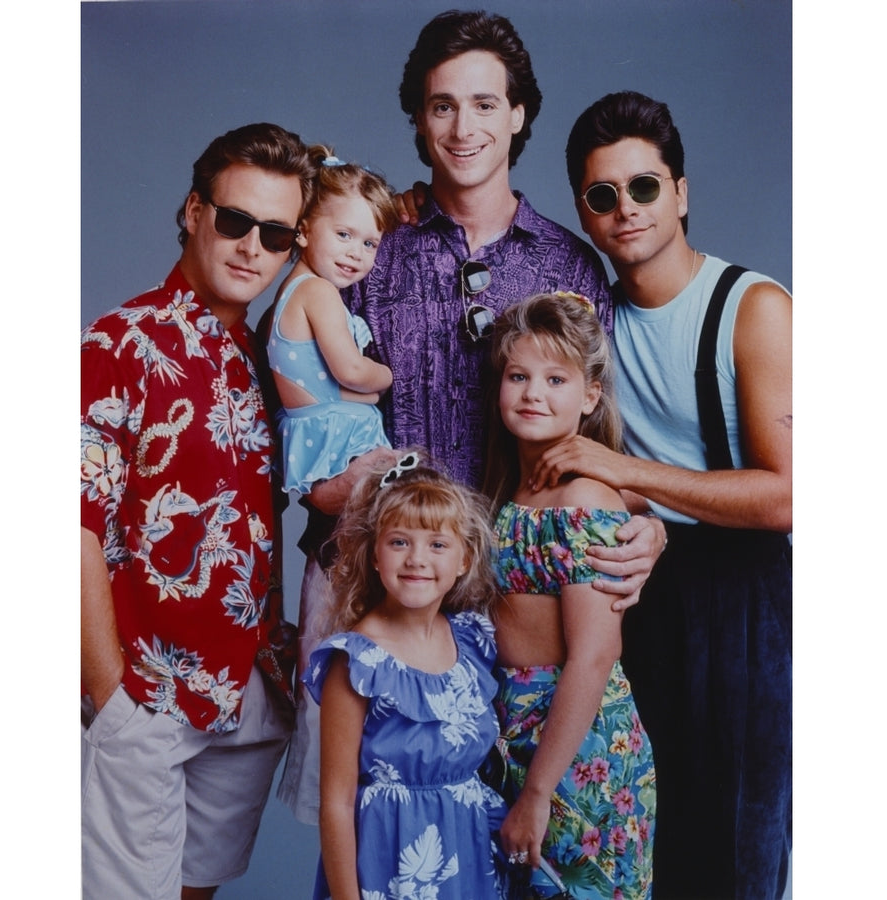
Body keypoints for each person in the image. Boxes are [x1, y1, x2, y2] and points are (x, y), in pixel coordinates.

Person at [280, 7, 667, 828]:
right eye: (443, 104)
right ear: (419, 119)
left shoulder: (567, 264)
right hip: (390, 590)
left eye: (486, 103)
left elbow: (601, 443)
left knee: (505, 850)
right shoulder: (372, 247)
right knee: (382, 837)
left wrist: (645, 520)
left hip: (524, 611)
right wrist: (323, 487)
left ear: (520, 114)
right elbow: (296, 395)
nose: (464, 127)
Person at [539, 90, 791, 900]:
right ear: (584, 211)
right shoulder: (591, 322)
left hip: (741, 598)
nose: (627, 211)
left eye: (645, 187)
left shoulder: (752, 309)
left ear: (681, 192)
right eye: (603, 196)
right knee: (634, 850)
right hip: (633, 590)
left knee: (736, 851)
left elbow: (788, 496)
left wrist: (628, 474)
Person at [80, 123, 316, 900]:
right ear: (193, 211)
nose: (253, 247)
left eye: (277, 234)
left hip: (246, 689)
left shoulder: (271, 360)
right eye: (236, 221)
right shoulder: (118, 342)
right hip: (144, 690)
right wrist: (109, 694)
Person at [483, 292, 655, 900]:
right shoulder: (520, 488)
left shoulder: (583, 498)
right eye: (518, 376)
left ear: (589, 395)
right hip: (523, 736)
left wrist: (537, 794)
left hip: (577, 752)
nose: (533, 393)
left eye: (556, 378)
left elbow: (594, 654)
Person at [305, 455, 509, 900]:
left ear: (463, 560)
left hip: (467, 854)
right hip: (388, 863)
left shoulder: (473, 641)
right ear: (375, 555)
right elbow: (336, 804)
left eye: (438, 545)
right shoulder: (356, 661)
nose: (417, 559)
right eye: (399, 542)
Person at [265, 146, 400, 495]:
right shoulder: (318, 292)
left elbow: (317, 386)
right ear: (305, 231)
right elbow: (352, 372)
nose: (356, 252)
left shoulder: (290, 291)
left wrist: (362, 397)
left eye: (370, 243)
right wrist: (386, 376)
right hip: (339, 436)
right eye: (344, 235)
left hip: (318, 426)